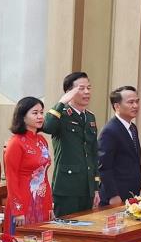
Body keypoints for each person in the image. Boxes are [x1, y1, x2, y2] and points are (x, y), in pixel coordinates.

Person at [42, 71, 100, 216]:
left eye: (89, 88)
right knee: (66, 227)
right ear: (69, 92)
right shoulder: (61, 115)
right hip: (67, 188)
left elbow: (93, 154)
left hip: (87, 188)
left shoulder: (90, 117)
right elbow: (47, 127)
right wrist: (61, 102)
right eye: (81, 88)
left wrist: (96, 188)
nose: (87, 92)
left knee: (87, 226)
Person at [3, 96, 53, 233]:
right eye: (35, 113)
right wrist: (17, 209)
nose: (40, 116)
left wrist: (50, 204)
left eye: (41, 112)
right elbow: (11, 178)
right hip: (23, 201)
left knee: (42, 241)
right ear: (23, 117)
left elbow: (44, 175)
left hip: (42, 198)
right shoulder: (15, 143)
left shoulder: (42, 140)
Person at [98, 86, 141, 207]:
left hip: (131, 193)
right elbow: (103, 167)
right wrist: (113, 195)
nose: (135, 106)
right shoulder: (110, 130)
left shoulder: (132, 128)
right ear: (117, 106)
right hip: (116, 196)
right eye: (130, 102)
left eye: (137, 101)